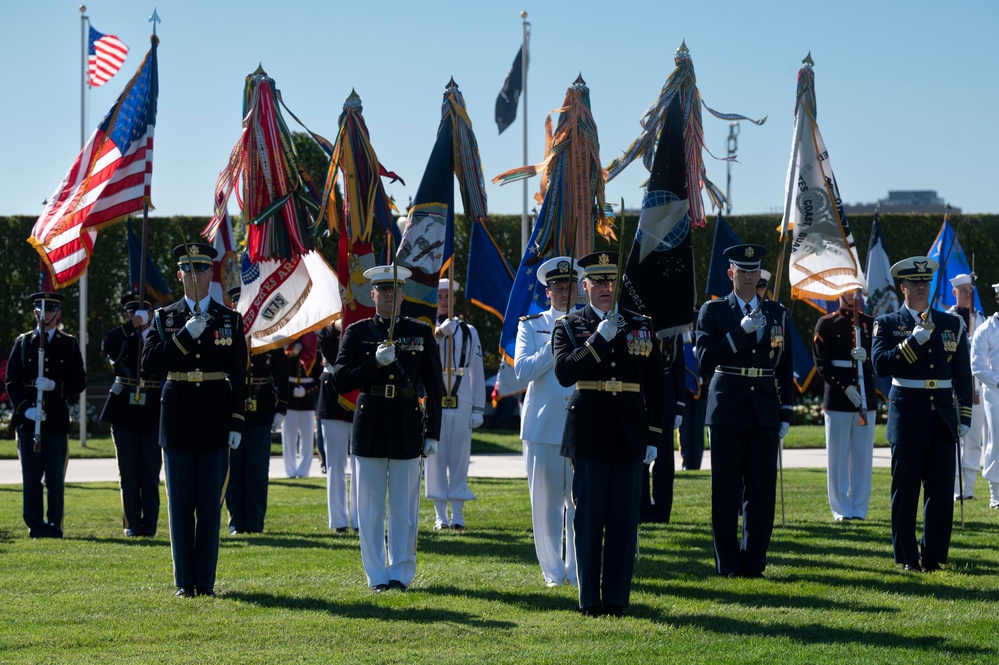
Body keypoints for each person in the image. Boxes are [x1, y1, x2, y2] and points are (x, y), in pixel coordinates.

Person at [552, 251, 663, 618]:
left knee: (623, 519)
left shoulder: (641, 324)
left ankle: (616, 598)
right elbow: (565, 374)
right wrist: (599, 340)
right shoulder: (569, 324)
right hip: (589, 430)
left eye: (610, 281)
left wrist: (653, 436)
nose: (605, 288)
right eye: (598, 282)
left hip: (630, 430)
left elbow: (656, 386)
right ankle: (589, 600)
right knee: (588, 519)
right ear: (584, 286)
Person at [142, 243, 247, 597]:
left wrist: (236, 421)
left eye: (203, 268)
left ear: (211, 273)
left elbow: (239, 375)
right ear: (180, 274)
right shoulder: (164, 319)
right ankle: (184, 582)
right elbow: (150, 365)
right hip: (177, 418)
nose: (197, 275)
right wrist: (186, 336)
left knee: (209, 506)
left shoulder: (230, 319)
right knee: (180, 504)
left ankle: (205, 581)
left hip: (216, 418)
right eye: (190, 269)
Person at [331, 265, 443, 592]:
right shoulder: (357, 332)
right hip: (370, 422)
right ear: (373, 294)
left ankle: (401, 573)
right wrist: (374, 364)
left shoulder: (420, 332)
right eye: (384, 291)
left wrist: (433, 432)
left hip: (407, 421)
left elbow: (434, 386)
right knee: (369, 508)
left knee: (404, 508)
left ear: (403, 294)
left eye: (396, 290)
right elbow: (339, 381)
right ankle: (376, 575)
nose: (391, 297)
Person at [695, 244, 793, 579]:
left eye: (754, 271)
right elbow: (705, 359)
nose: (749, 277)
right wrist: (740, 333)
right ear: (730, 273)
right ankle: (728, 563)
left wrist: (787, 410)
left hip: (764, 407)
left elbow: (786, 365)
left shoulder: (777, 312)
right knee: (726, 490)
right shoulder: (714, 311)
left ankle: (754, 562)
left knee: (761, 490)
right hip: (727, 408)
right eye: (743, 270)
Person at [871, 256, 972, 573]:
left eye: (925, 282)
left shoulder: (950, 323)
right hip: (908, 415)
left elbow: (962, 374)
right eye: (914, 282)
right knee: (905, 491)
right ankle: (906, 557)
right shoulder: (888, 324)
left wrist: (964, 416)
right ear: (903, 287)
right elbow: (881, 365)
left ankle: (934, 556)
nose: (920, 287)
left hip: (941, 416)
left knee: (940, 491)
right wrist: (913, 341)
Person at [514, 256, 583, 587]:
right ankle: (554, 573)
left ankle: (577, 569)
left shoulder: (590, 324)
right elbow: (522, 371)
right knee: (545, 506)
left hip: (583, 424)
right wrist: (555, 341)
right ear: (547, 291)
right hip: (543, 426)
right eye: (558, 286)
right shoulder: (531, 324)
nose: (564, 292)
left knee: (580, 503)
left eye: (570, 285)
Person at [5, 291, 87, 539]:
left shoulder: (69, 344)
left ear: (57, 313)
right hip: (30, 420)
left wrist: (55, 385)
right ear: (35, 313)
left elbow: (79, 382)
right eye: (41, 310)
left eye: (50, 310)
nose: (46, 314)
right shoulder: (23, 343)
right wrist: (25, 409)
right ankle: (35, 525)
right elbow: (11, 382)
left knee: (55, 479)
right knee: (31, 478)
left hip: (55, 421)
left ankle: (54, 525)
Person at [225, 286, 289, 535]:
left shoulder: (268, 336)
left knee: (257, 468)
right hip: (232, 408)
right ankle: (236, 522)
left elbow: (282, 374)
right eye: (239, 306)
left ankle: (255, 522)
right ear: (233, 307)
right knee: (234, 467)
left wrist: (281, 408)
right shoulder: (227, 334)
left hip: (261, 408)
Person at [99, 292, 163, 537]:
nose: (135, 315)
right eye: (130, 312)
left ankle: (149, 525)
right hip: (124, 409)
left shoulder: (157, 336)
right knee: (128, 471)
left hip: (151, 410)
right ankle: (131, 524)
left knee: (149, 471)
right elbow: (106, 344)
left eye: (141, 312)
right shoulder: (123, 336)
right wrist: (131, 326)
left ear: (150, 313)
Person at [812, 289, 877, 521]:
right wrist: (845, 387)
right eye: (847, 291)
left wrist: (867, 358)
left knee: (862, 456)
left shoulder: (870, 323)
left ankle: (859, 508)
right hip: (839, 398)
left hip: (865, 397)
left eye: (855, 291)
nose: (851, 295)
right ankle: (841, 509)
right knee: (837, 457)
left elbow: (881, 359)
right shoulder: (826, 323)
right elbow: (822, 363)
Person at [427, 278, 485, 530]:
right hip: (434, 398)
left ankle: (458, 514)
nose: (443, 301)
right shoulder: (426, 329)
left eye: (447, 297)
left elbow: (477, 371)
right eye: (439, 297)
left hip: (461, 397)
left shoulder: (469, 331)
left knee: (460, 457)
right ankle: (440, 514)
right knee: (435, 457)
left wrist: (478, 407)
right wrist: (439, 335)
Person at [947, 274, 988, 500]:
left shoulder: (981, 318)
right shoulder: (947, 319)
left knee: (973, 439)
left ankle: (969, 489)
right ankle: (955, 488)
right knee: (954, 438)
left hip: (977, 388)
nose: (967, 294)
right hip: (955, 386)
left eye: (970, 290)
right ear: (954, 292)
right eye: (963, 290)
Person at [317, 319, 357, 533]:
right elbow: (319, 330)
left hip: (359, 389)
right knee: (335, 464)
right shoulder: (329, 301)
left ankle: (360, 518)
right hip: (332, 394)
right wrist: (335, 326)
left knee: (361, 464)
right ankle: (339, 521)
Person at [640, 334, 684, 523]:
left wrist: (680, 404)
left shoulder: (671, 325)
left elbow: (678, 365)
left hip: (665, 392)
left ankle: (662, 511)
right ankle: (642, 510)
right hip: (638, 391)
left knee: (664, 459)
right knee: (639, 460)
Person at [970, 281, 999, 509]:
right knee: (995, 442)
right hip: (995, 393)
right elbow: (977, 365)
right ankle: (996, 494)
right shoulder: (986, 329)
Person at [281, 332, 320, 478]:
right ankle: (290, 471)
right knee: (289, 437)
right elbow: (280, 371)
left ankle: (304, 471)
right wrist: (290, 354)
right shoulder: (289, 351)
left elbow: (319, 379)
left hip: (307, 399)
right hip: (290, 399)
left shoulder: (315, 353)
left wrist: (306, 391)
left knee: (307, 437)